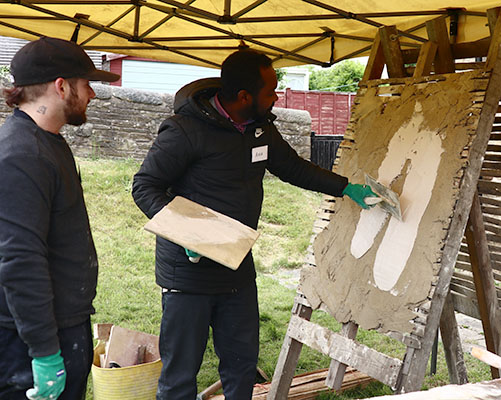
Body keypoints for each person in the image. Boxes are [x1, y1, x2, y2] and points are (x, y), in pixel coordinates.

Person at [132, 49, 375, 400]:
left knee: (242, 367)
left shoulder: (259, 128)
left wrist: (345, 187)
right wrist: (184, 232)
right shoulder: (185, 131)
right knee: (180, 376)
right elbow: (144, 187)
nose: (276, 97)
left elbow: (292, 168)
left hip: (236, 267)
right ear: (243, 97)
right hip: (189, 273)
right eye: (270, 91)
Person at [0, 37, 120, 400]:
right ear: (61, 86)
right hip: (30, 339)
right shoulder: (24, 155)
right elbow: (19, 260)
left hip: (63, 323)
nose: (92, 95)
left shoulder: (48, 142)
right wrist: (44, 351)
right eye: (87, 85)